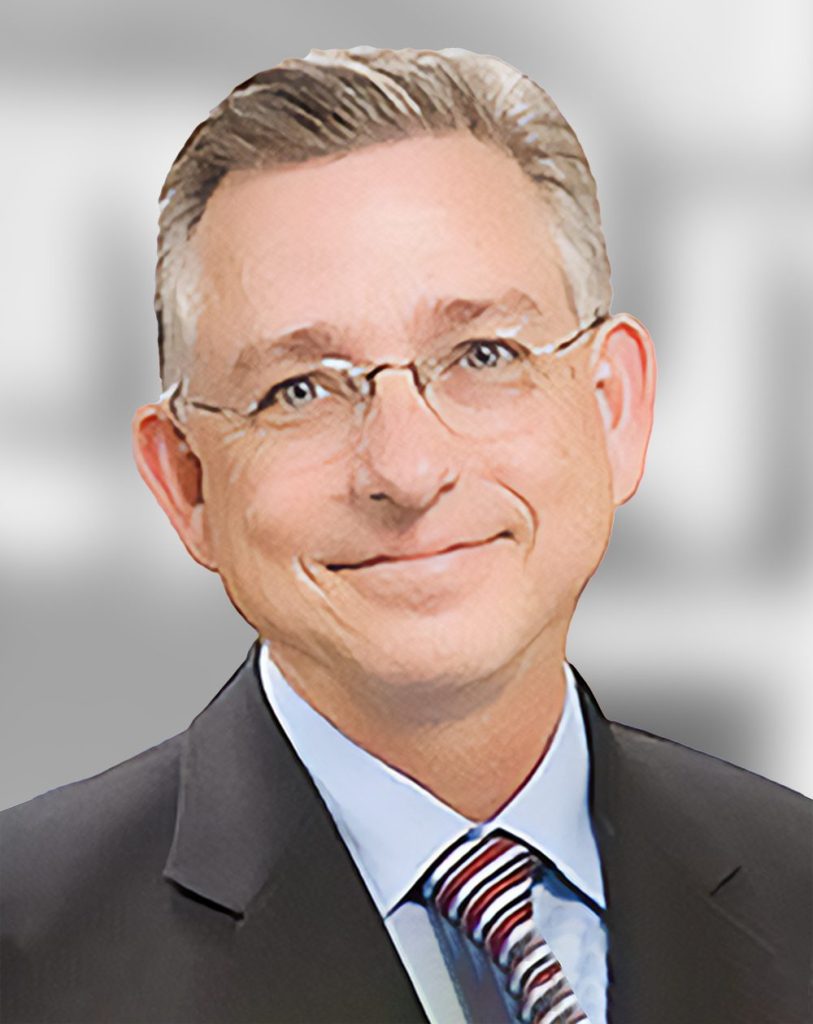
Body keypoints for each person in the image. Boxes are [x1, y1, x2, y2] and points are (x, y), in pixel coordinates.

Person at [1, 47, 809, 1024]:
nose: (407, 470)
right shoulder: (28, 951)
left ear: (614, 410)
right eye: (299, 388)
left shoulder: (796, 883)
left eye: (483, 354)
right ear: (186, 480)